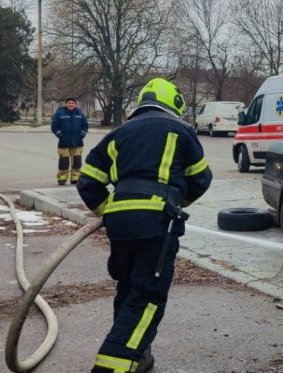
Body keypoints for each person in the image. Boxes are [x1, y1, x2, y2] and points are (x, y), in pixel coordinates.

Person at [77, 78, 212, 373]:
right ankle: (111, 366)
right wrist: (174, 202)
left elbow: (88, 182)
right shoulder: (181, 131)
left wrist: (110, 213)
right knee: (147, 297)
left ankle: (138, 358)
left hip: (121, 225)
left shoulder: (117, 134)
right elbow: (201, 178)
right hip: (157, 224)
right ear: (174, 103)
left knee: (128, 291)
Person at [51, 97, 89, 185]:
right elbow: (54, 126)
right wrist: (60, 135)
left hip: (77, 142)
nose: (71, 104)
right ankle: (62, 178)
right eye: (69, 103)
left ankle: (75, 178)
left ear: (75, 104)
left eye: (72, 103)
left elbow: (85, 126)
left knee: (77, 161)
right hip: (64, 142)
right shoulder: (59, 113)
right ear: (66, 104)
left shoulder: (80, 113)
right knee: (64, 161)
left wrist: (81, 136)